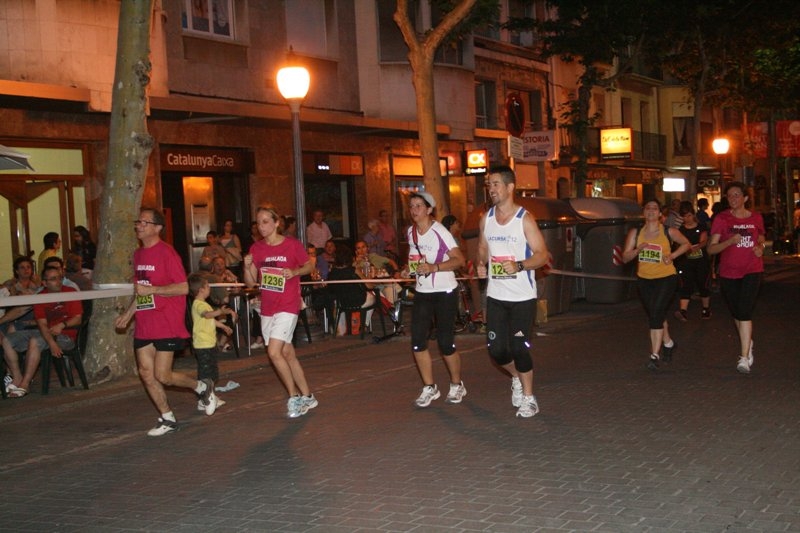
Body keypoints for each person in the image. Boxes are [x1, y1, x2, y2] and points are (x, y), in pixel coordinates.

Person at [114, 208, 219, 437]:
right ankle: (167, 417)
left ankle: (202, 386)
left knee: (163, 375)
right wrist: (129, 314)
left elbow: (183, 287)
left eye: (144, 222)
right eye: (137, 221)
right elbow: (141, 290)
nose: (138, 225)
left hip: (166, 321)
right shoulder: (138, 255)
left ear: (157, 228)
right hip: (145, 321)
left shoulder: (167, 253)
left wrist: (154, 290)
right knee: (145, 372)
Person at [476, 166, 549, 418]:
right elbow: (483, 248)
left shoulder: (524, 219)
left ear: (509, 187)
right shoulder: (486, 218)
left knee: (520, 348)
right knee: (496, 350)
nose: (491, 189)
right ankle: (517, 377)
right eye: (489, 184)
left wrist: (519, 265)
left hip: (522, 297)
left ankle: (529, 398)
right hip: (496, 295)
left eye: (495, 184)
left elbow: (543, 255)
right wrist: (480, 264)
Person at [243, 206, 317, 418]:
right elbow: (250, 283)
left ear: (277, 223)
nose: (262, 226)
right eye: (259, 222)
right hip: (267, 307)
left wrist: (293, 271)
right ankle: (308, 396)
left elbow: (308, 266)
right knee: (287, 354)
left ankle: (294, 398)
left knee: (274, 353)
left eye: (266, 221)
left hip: (288, 304)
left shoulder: (291, 245)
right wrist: (246, 266)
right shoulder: (256, 249)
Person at [402, 191, 467, 408]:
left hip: (445, 291)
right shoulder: (411, 232)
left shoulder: (441, 232)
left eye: (419, 206)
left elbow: (459, 260)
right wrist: (407, 270)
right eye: (412, 206)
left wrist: (434, 267)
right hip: (423, 292)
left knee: (445, 342)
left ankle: (457, 384)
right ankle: (429, 387)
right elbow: (414, 260)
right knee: (418, 341)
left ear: (429, 210)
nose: (414, 210)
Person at [622, 199, 691, 371]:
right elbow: (625, 257)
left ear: (661, 213)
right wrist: (637, 250)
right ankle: (668, 343)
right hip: (644, 279)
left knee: (656, 314)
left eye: (655, 208)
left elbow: (687, 244)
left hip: (666, 277)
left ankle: (654, 355)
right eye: (648, 208)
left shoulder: (669, 231)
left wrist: (672, 256)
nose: (651, 211)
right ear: (643, 212)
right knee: (656, 314)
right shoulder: (635, 233)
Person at [707, 182, 766, 374]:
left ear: (745, 198)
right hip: (728, 272)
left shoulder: (756, 217)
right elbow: (711, 248)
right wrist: (729, 241)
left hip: (752, 270)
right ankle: (747, 341)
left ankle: (743, 358)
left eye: (737, 195)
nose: (733, 199)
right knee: (737, 312)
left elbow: (761, 238)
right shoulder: (722, 219)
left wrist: (760, 248)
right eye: (729, 196)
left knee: (745, 311)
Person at [2, 265, 83, 398]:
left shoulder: (70, 292)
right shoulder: (40, 297)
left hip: (66, 335)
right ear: (44, 283)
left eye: (59, 278)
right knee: (7, 340)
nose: (58, 281)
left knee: (35, 341)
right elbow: (42, 324)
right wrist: (51, 343)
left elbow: (78, 319)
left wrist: (63, 325)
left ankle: (25, 384)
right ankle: (17, 377)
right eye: (52, 279)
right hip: (46, 332)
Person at [188, 273, 236, 410]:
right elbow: (207, 315)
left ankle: (209, 396)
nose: (210, 288)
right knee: (206, 373)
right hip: (203, 344)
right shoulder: (199, 305)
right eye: (208, 286)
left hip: (208, 343)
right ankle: (204, 399)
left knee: (211, 373)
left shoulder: (203, 304)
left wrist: (223, 326)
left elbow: (210, 320)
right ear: (201, 289)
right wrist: (220, 311)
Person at [327, 243, 377, 336]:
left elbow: (330, 289)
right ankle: (364, 324)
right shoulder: (353, 270)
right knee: (373, 297)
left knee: (337, 301)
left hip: (341, 302)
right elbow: (369, 286)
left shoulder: (332, 273)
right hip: (358, 300)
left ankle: (341, 329)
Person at [674, 201, 712, 321]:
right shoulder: (680, 229)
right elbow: (677, 244)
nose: (687, 219)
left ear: (693, 214)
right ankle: (683, 311)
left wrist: (697, 246)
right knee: (685, 285)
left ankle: (706, 308)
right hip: (685, 262)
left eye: (689, 215)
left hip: (701, 261)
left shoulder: (701, 227)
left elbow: (704, 240)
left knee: (703, 284)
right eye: (684, 216)